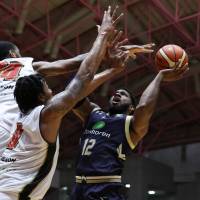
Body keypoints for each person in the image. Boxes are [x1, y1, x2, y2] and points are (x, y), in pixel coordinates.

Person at [0, 6, 125, 200]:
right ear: (14, 55)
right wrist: (103, 45)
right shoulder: (26, 66)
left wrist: (102, 54)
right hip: (25, 123)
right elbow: (74, 69)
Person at [71, 63, 189, 199]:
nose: (118, 93)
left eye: (123, 94)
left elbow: (144, 107)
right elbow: (75, 92)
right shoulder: (92, 113)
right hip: (79, 188)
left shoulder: (130, 124)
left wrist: (159, 76)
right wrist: (110, 70)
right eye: (116, 92)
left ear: (132, 108)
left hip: (104, 189)